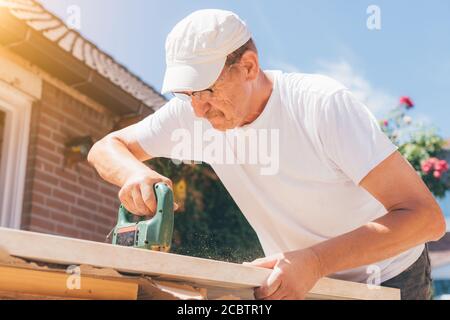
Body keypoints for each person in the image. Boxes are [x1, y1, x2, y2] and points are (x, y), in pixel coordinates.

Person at [88, 9, 446, 300]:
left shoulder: (320, 105)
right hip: (300, 280)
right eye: (187, 94)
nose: (198, 110)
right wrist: (132, 173)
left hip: (388, 276)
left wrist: (317, 261)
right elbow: (106, 148)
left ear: (248, 66)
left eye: (207, 90)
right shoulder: (194, 114)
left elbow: (426, 220)